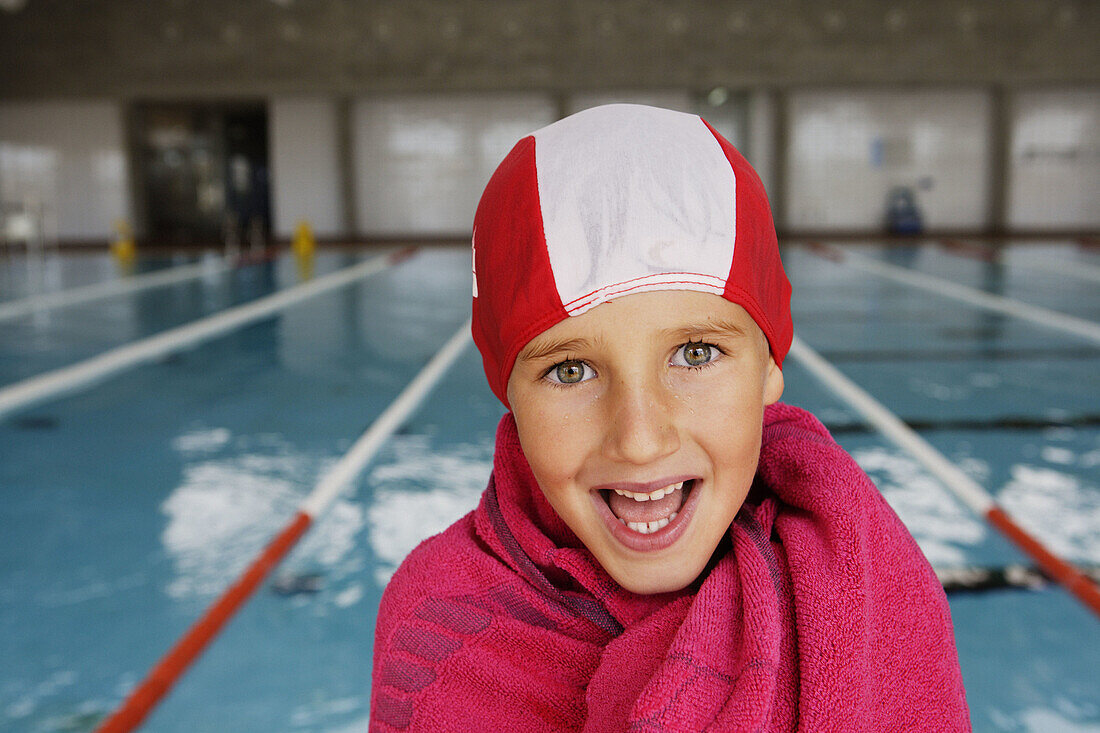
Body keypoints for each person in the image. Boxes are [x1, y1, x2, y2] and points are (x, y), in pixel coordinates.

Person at [370, 104, 969, 732]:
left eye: (696, 354)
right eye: (571, 370)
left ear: (769, 366)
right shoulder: (436, 631)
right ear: (508, 391)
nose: (639, 439)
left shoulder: (869, 586)